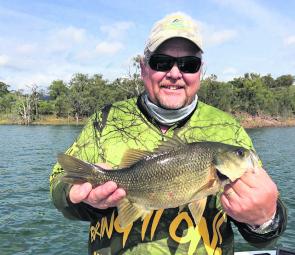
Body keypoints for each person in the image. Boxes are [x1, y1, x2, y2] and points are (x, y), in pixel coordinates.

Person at [50, 12, 287, 255]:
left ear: (200, 71)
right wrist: (78, 197)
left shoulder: (229, 129)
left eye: (188, 65)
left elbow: (264, 235)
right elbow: (59, 183)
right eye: (162, 62)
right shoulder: (105, 120)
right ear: (143, 68)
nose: (175, 73)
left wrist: (264, 219)